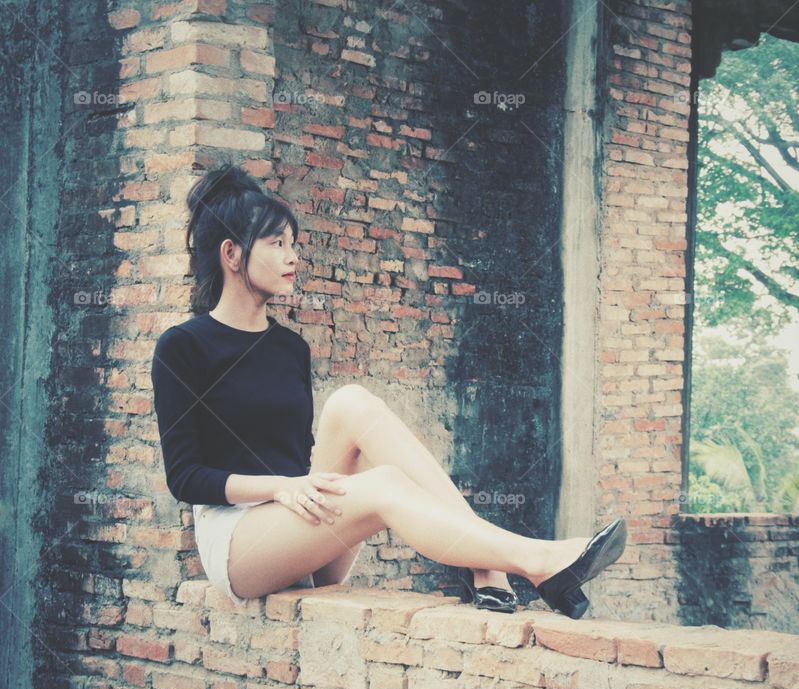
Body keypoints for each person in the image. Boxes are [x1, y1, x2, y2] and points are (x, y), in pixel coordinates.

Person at [150, 164, 625, 619]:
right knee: (385, 484)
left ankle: (487, 565)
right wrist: (282, 488)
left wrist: (302, 488)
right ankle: (539, 562)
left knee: (352, 402)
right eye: (277, 244)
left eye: (293, 243)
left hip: (302, 531)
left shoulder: (289, 348)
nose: (293, 256)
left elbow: (298, 455)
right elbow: (185, 477)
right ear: (232, 254)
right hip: (239, 545)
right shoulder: (183, 347)